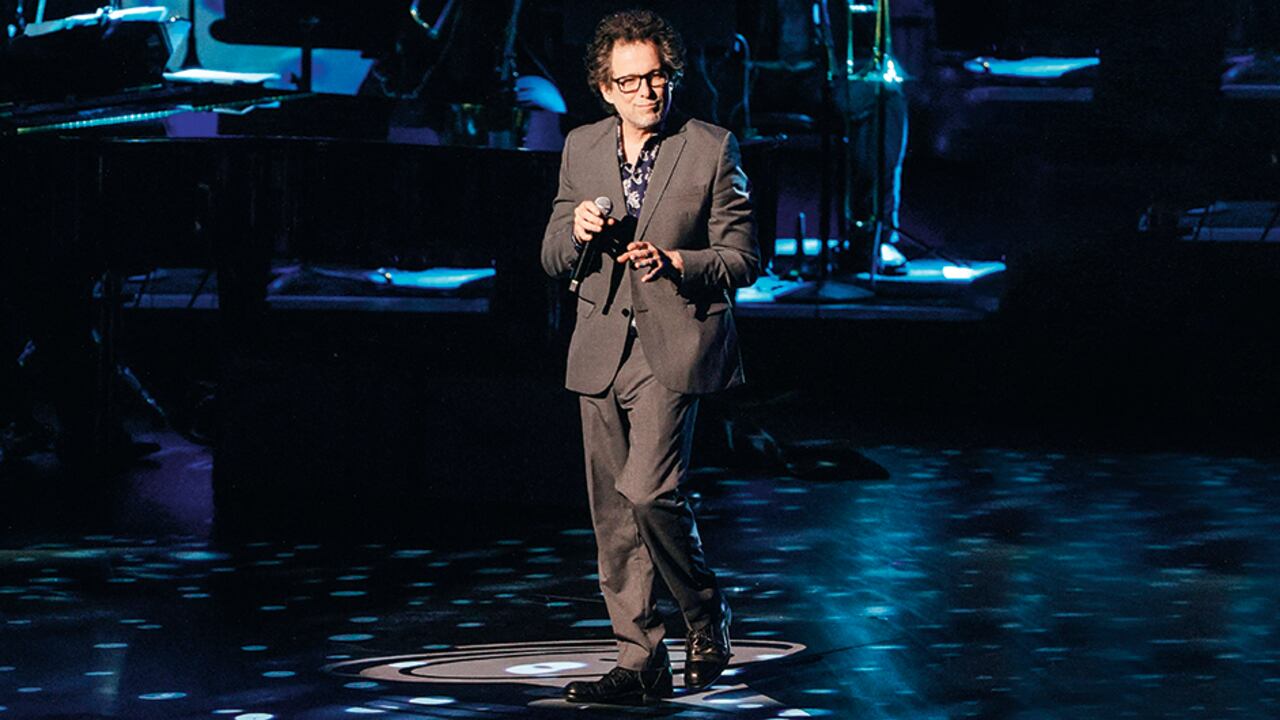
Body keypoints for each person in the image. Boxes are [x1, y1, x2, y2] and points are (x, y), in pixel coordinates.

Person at [540, 9, 760, 706]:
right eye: (630, 81)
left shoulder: (710, 148)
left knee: (648, 492)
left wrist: (678, 260)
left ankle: (703, 612)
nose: (647, 92)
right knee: (612, 514)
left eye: (658, 76)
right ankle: (640, 660)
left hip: (674, 343)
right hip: (601, 343)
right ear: (605, 88)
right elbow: (549, 256)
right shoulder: (580, 147)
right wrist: (575, 232)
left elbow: (744, 258)